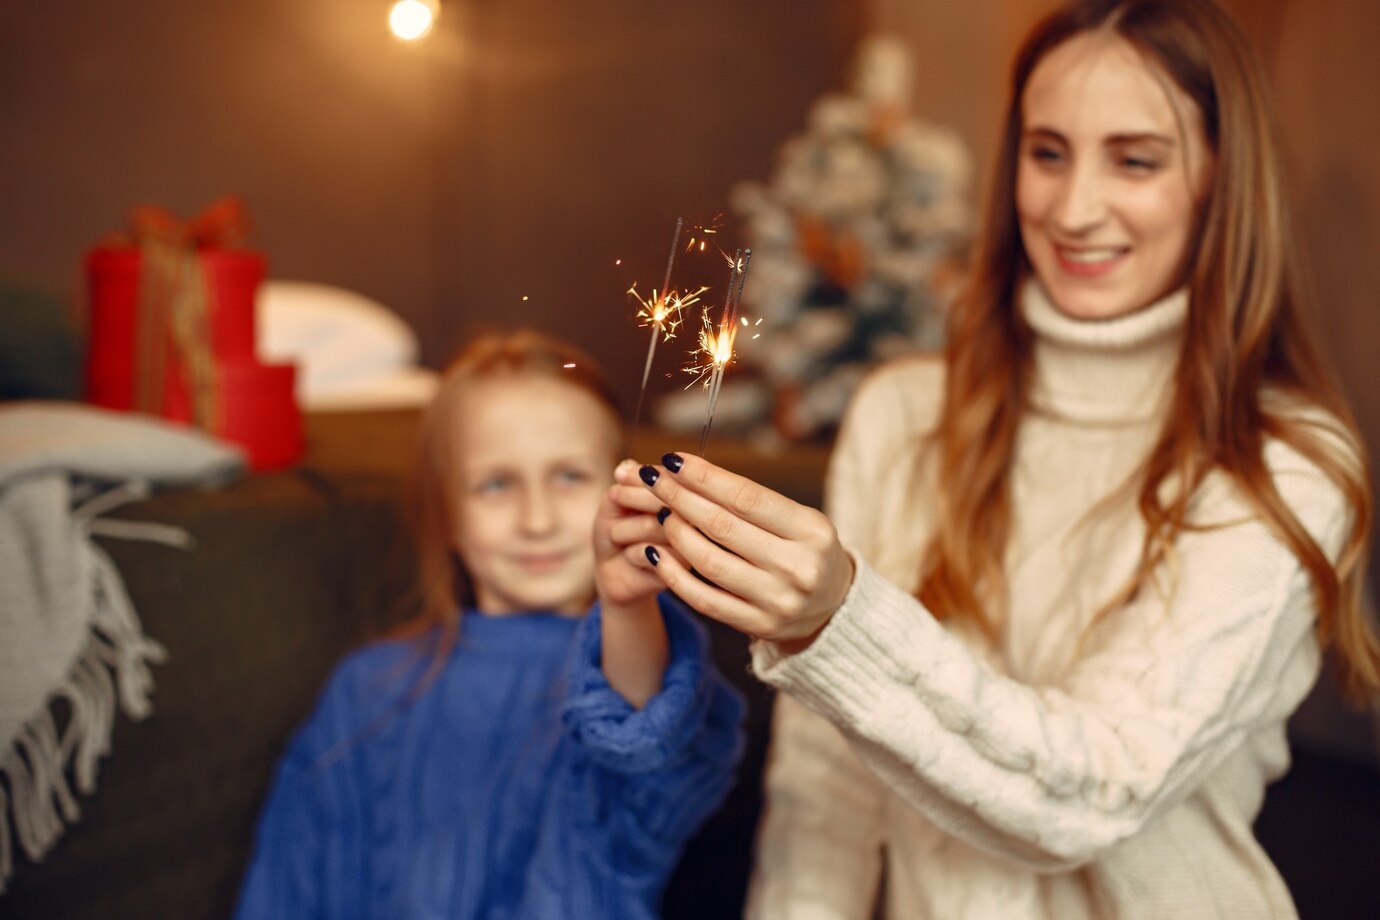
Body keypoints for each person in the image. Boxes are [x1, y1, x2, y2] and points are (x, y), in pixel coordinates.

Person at [614, 0, 1380, 916]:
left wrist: (839, 622)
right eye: (1047, 152)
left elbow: (1092, 792)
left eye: (1135, 160)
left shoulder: (1285, 462)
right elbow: (826, 794)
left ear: (1223, 179)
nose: (1072, 208)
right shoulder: (903, 414)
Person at [233, 330, 744, 919]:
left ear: (620, 491)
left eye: (569, 477)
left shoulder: (637, 654)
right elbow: (287, 885)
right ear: (446, 512)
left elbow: (643, 745)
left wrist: (627, 605)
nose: (537, 519)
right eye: (496, 484)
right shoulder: (367, 690)